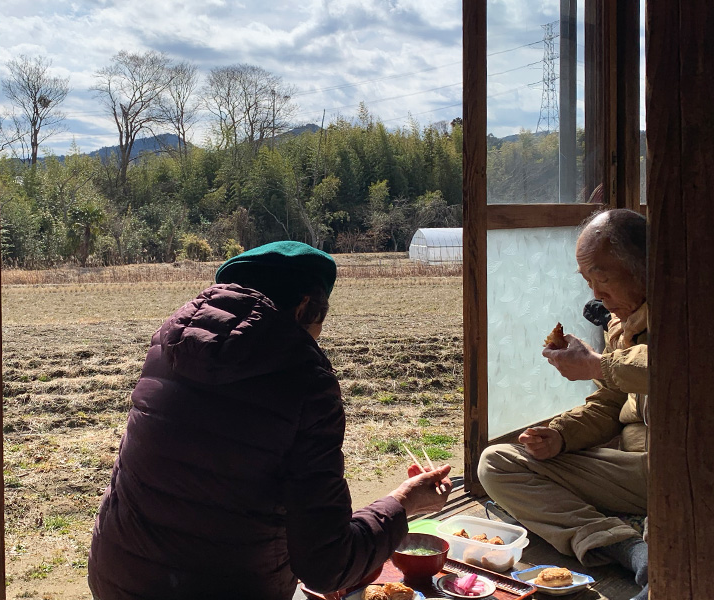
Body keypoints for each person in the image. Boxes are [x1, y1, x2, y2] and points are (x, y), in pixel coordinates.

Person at [88, 241, 452, 600]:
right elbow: (326, 566)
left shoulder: (168, 348)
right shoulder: (305, 379)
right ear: (304, 306)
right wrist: (403, 504)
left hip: (117, 579)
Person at [478, 209, 649, 600]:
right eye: (587, 281)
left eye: (602, 279)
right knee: (496, 463)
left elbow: (678, 370)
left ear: (643, 268)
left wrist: (596, 365)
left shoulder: (687, 312)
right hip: (633, 469)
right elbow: (608, 405)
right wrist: (559, 436)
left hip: (684, 471)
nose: (595, 295)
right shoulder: (623, 323)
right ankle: (629, 548)